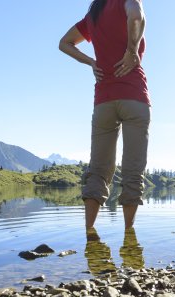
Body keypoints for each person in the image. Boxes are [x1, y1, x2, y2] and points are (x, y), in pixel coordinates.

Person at [59, 0, 150, 229]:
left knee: (98, 170)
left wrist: (91, 62)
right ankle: (129, 234)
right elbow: (137, 16)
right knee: (133, 170)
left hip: (104, 100)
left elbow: (64, 43)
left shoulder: (93, 15)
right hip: (134, 97)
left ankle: (90, 232)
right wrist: (131, 50)